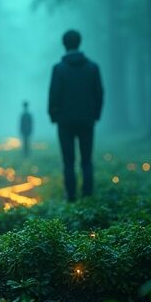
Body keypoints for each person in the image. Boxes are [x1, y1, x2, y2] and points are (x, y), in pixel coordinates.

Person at [48, 29, 104, 203]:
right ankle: (88, 195)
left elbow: (54, 94)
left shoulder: (58, 69)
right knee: (86, 160)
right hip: (87, 120)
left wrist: (53, 116)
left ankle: (71, 196)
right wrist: (95, 115)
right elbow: (99, 93)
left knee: (68, 161)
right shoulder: (93, 67)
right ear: (79, 43)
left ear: (64, 44)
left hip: (64, 122)